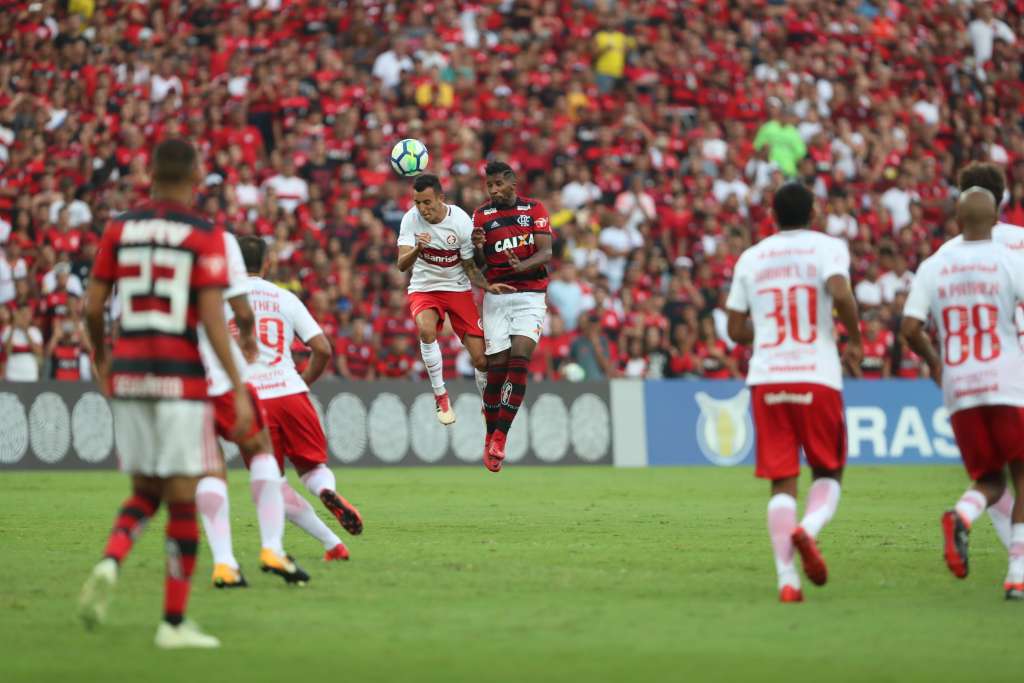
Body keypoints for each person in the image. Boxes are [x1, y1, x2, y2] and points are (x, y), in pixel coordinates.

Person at [78, 138, 254, 649]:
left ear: (149, 173)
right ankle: (172, 624)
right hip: (181, 379)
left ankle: (111, 560)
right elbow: (213, 319)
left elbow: (92, 309)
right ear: (197, 175)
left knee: (143, 491)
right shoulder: (206, 234)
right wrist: (238, 386)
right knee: (181, 501)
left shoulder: (119, 228)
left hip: (130, 374)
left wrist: (103, 361)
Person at [725, 182, 863, 603]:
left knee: (782, 482)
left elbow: (734, 329)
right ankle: (809, 529)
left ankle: (787, 579)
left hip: (767, 378)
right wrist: (853, 339)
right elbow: (840, 291)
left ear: (772, 215)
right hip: (816, 374)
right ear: (814, 213)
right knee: (828, 471)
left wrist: (763, 331)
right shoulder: (827, 248)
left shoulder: (752, 257)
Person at [901, 187, 1024, 601]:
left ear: (956, 221)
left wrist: (936, 363)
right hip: (1007, 382)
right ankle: (1018, 574)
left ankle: (962, 515)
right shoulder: (1011, 260)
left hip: (960, 386)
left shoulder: (934, 267)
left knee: (989, 478)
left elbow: (909, 329)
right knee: (1022, 476)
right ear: (995, 222)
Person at [195, 230, 314, 591]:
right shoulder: (215, 241)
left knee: (208, 466)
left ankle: (223, 563)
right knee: (261, 451)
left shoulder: (132, 238)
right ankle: (272, 548)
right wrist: (246, 340)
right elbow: (242, 312)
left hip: (180, 376)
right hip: (223, 377)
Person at [236, 236, 364, 547]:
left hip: (249, 400)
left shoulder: (219, 302)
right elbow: (322, 348)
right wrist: (302, 382)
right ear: (268, 263)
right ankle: (325, 492)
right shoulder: (285, 298)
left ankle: (331, 543)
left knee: (272, 484)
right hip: (290, 392)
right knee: (313, 468)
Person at [396, 174, 512, 425]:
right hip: (425, 288)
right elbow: (401, 265)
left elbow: (470, 267)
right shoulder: (410, 220)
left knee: (482, 359)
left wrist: (486, 286)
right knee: (426, 331)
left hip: (457, 289)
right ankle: (441, 396)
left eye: (427, 202)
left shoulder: (460, 221)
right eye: (417, 203)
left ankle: (487, 406)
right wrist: (418, 248)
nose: (422, 209)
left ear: (441, 198)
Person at [472, 161, 553, 472]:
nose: (492, 190)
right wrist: (479, 248)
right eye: (488, 185)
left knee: (520, 359)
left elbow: (546, 253)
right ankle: (490, 432)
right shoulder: (481, 215)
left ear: (512, 183)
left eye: (497, 184)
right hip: (497, 298)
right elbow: (478, 267)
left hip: (530, 296)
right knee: (497, 368)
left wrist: (522, 266)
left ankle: (500, 438)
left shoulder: (534, 209)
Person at [2, 301, 43, 382]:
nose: (25, 317)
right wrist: (13, 328)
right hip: (12, 373)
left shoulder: (35, 331)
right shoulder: (7, 330)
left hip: (30, 373)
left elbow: (39, 353)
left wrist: (25, 331)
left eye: (27, 314)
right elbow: (6, 352)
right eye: (23, 314)